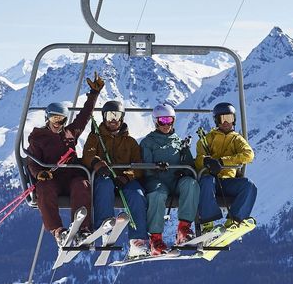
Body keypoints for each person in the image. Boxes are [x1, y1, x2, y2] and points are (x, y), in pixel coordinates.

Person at [27, 72, 104, 247]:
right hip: (51, 178)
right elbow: (32, 160)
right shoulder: (38, 138)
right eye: (55, 118)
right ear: (47, 118)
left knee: (82, 185)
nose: (58, 123)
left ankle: (83, 229)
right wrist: (39, 174)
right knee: (44, 189)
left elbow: (84, 116)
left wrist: (94, 95)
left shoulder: (70, 133)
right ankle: (58, 231)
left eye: (61, 119)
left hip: (70, 176)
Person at [82, 100, 149, 259]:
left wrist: (127, 176)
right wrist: (98, 165)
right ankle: (106, 228)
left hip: (125, 179)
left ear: (122, 118)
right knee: (104, 186)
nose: (113, 119)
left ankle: (137, 240)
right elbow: (88, 155)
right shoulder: (95, 137)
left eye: (116, 115)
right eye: (109, 115)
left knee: (137, 195)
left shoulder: (130, 142)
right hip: (105, 176)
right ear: (104, 117)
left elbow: (138, 165)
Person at [140, 103, 200, 256]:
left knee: (191, 184)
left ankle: (183, 229)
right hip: (157, 180)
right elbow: (145, 169)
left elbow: (190, 166)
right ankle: (156, 239)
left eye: (169, 120)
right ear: (156, 122)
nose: (166, 124)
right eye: (162, 121)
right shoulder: (148, 142)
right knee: (157, 194)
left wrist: (184, 170)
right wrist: (155, 166)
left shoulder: (179, 142)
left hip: (174, 181)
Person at [195, 102, 257, 233]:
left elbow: (248, 155)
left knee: (249, 186)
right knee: (206, 181)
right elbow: (198, 160)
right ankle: (207, 223)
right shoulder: (207, 139)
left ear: (234, 119)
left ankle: (234, 220)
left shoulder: (236, 139)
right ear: (217, 120)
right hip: (211, 180)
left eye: (229, 118)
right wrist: (207, 161)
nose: (226, 122)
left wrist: (223, 162)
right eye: (222, 119)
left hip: (227, 181)